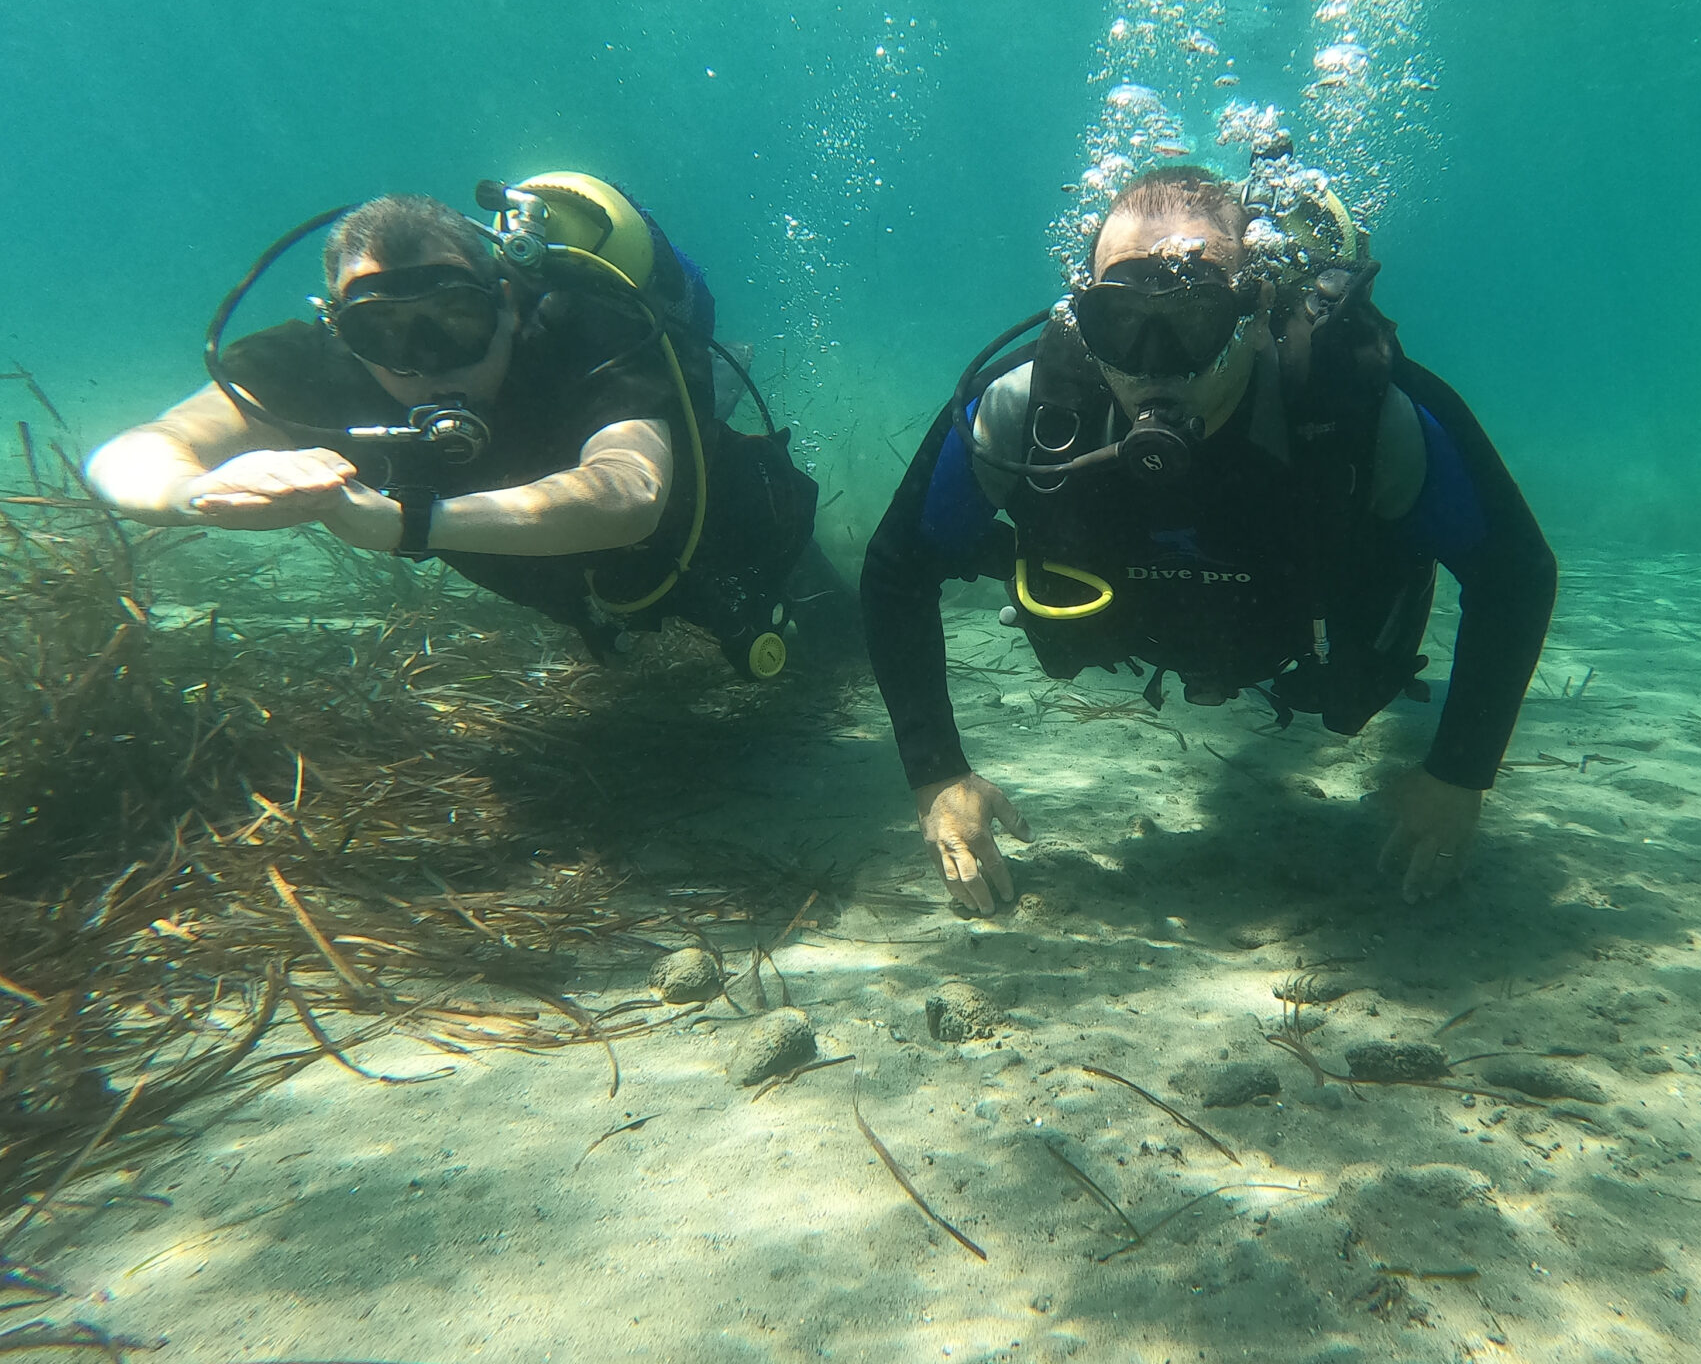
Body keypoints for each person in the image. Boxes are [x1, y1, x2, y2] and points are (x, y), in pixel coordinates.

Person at [861, 156, 1556, 914]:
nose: (1152, 366)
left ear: (1255, 316)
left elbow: (1515, 573)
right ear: (1081, 318)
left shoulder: (1361, 408)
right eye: (1119, 322)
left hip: (1312, 631)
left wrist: (1457, 775)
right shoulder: (1023, 408)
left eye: (1192, 320)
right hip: (1137, 626)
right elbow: (899, 566)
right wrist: (937, 774)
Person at [88, 173, 846, 673]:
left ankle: (714, 402)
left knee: (836, 642)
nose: (424, 364)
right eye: (383, 333)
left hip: (718, 529)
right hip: (569, 581)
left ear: (507, 302)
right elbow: (135, 452)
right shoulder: (316, 365)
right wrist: (197, 492)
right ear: (340, 331)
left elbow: (630, 490)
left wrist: (406, 524)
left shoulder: (590, 328)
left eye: (454, 320)